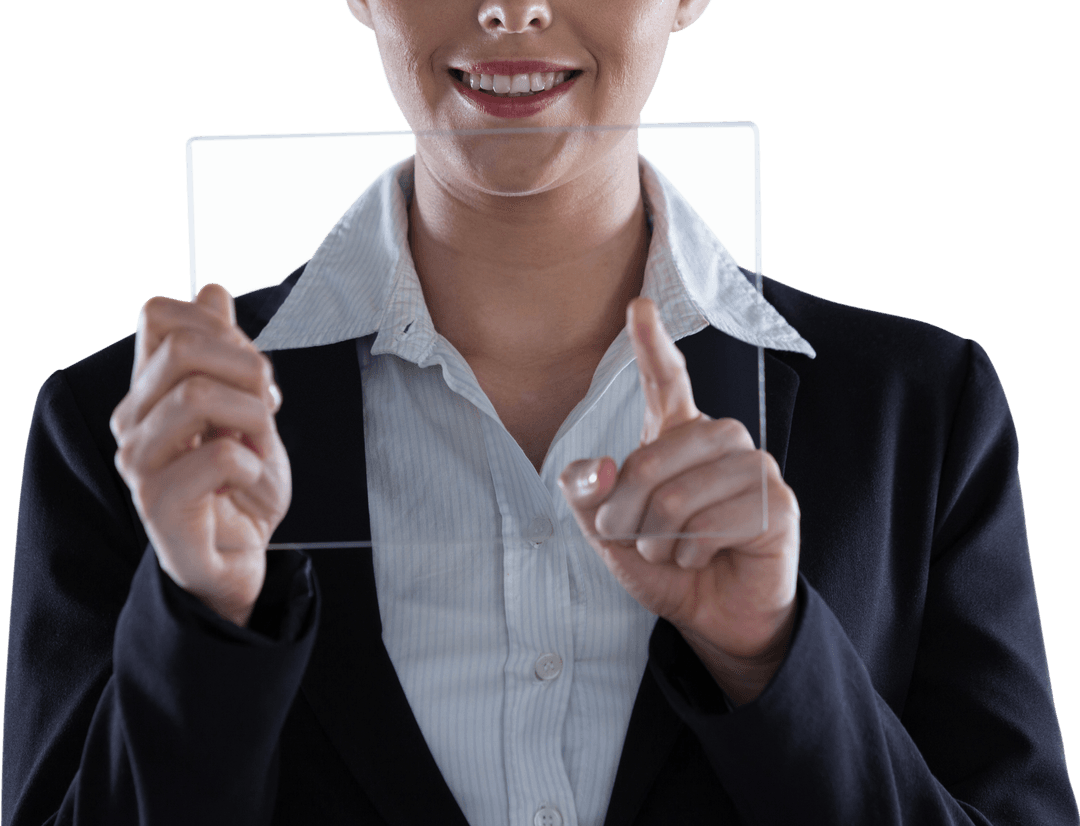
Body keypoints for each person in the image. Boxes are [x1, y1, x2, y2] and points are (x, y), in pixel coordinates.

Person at [3, 0, 1077, 823]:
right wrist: (203, 621)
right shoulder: (133, 432)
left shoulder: (918, 412)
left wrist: (772, 657)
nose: (511, 6)